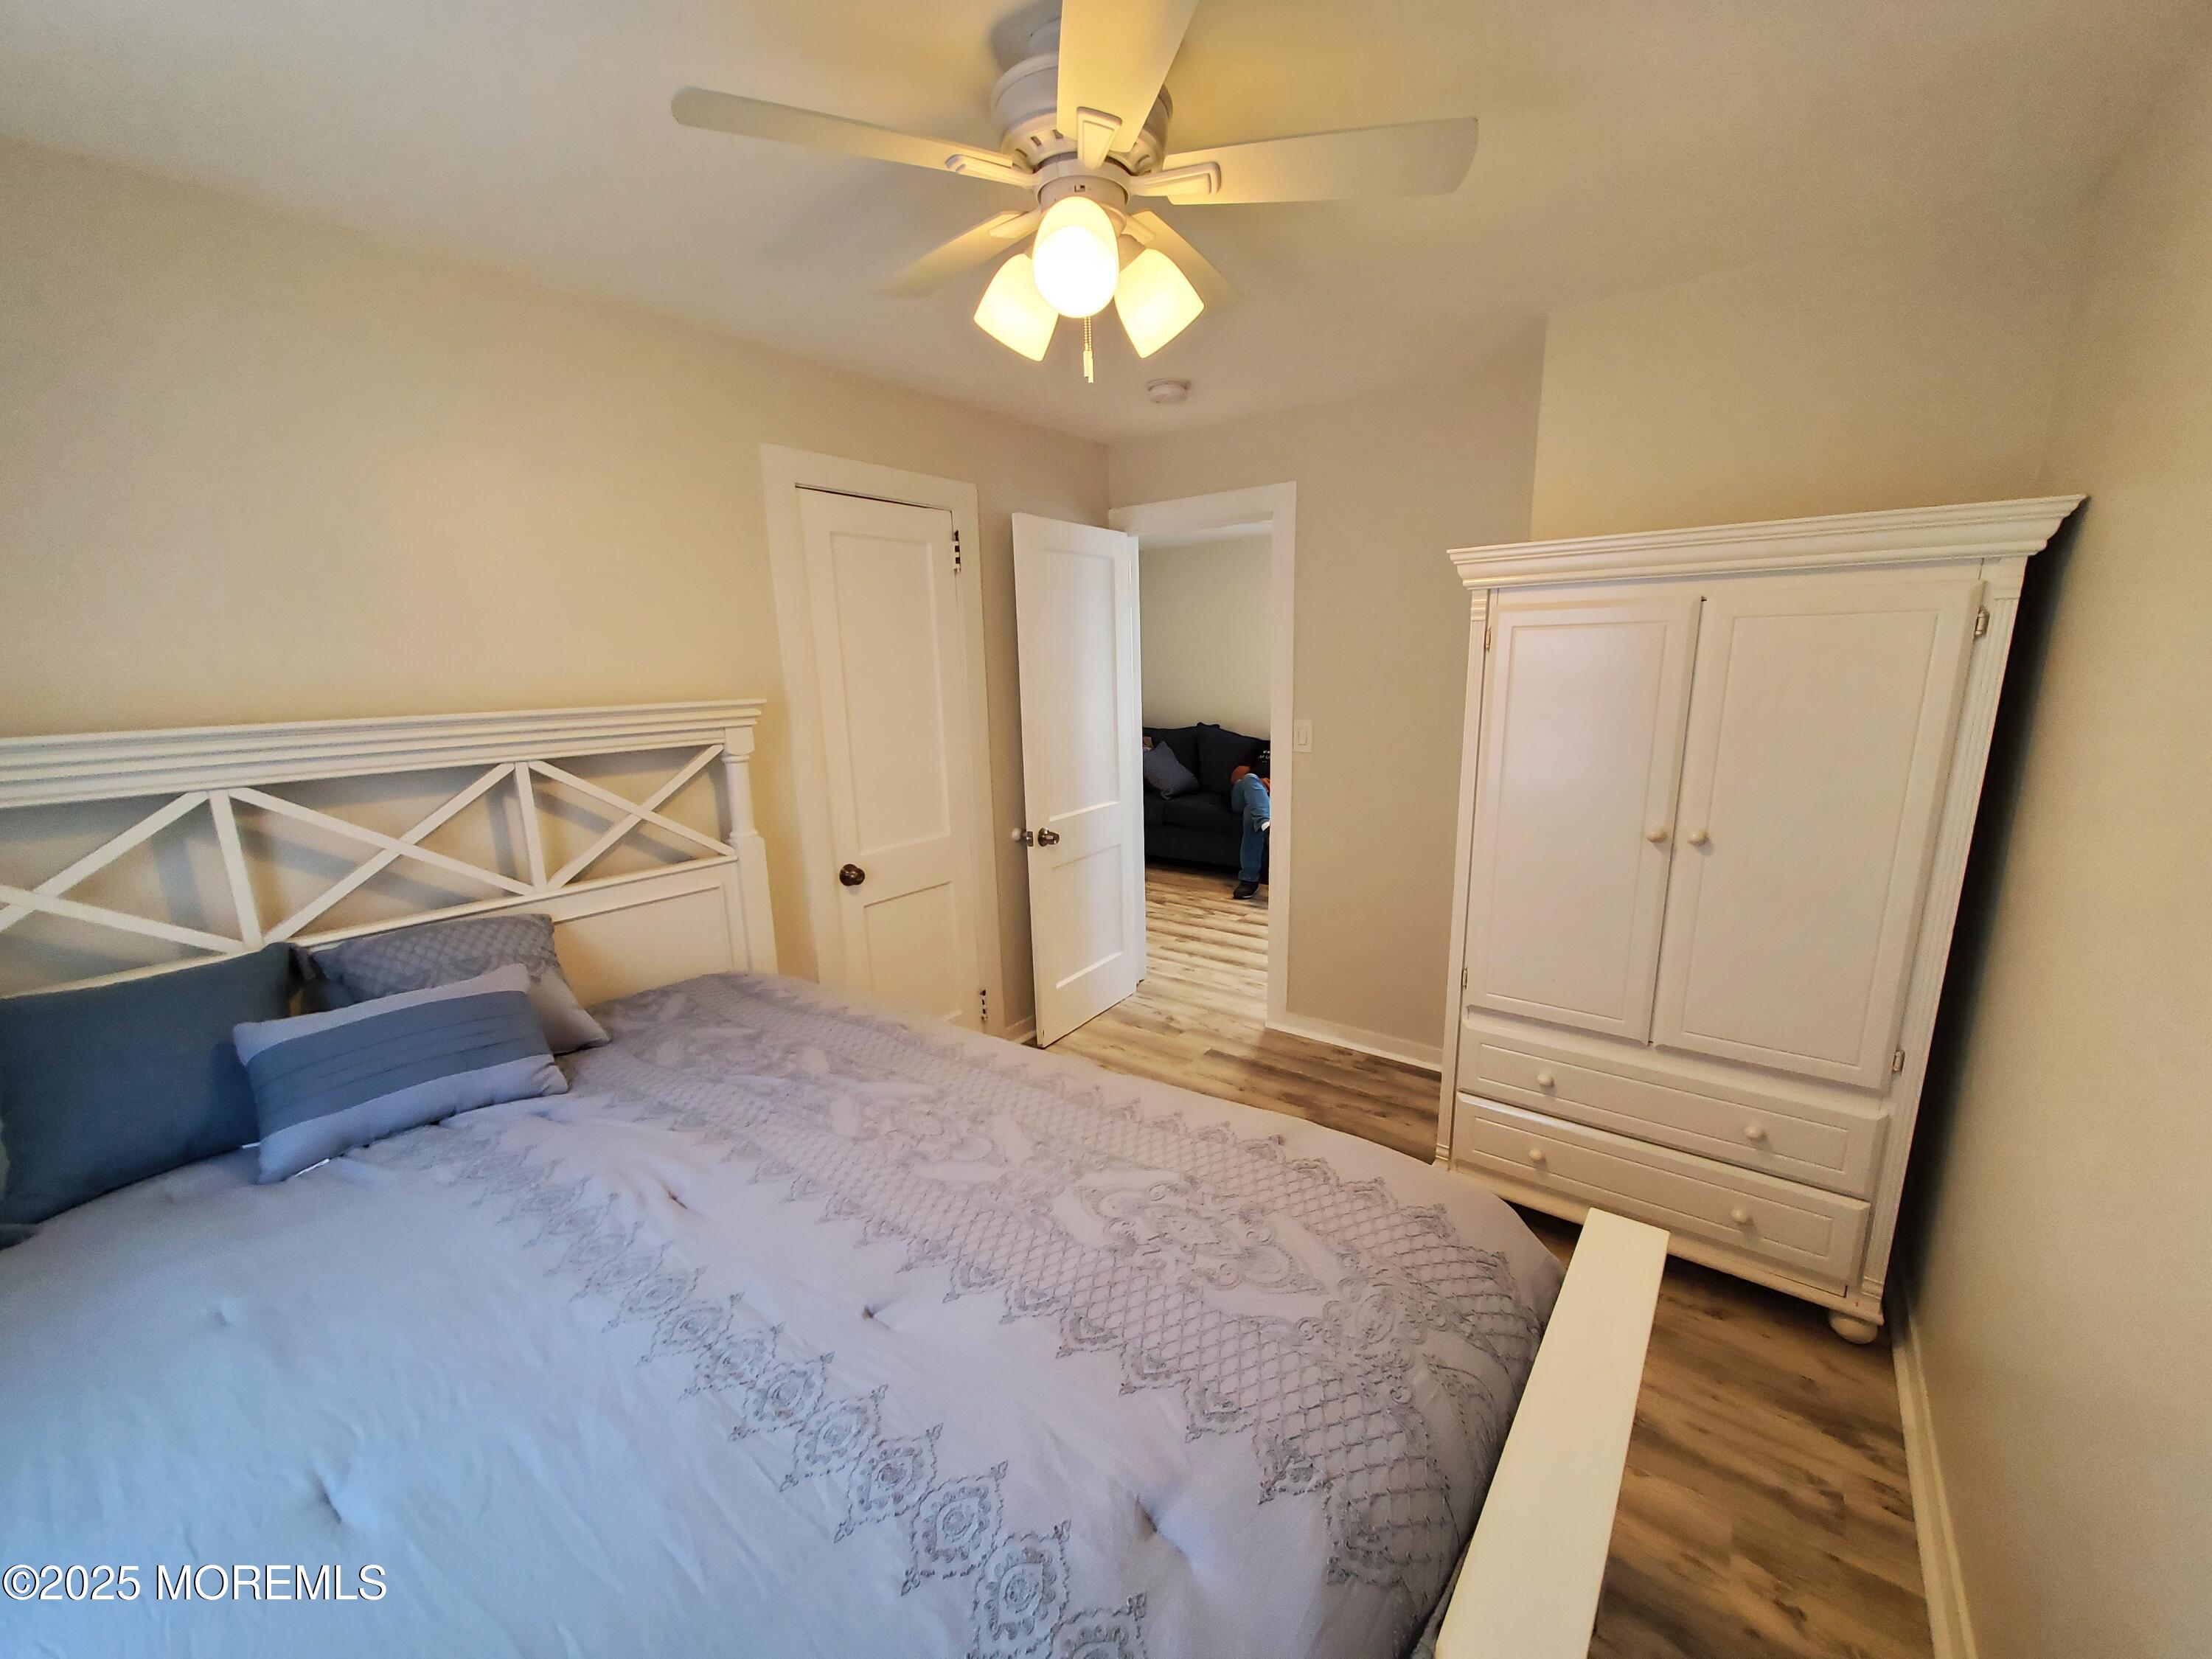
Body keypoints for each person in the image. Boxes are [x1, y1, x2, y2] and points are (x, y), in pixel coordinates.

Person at [1228, 761, 1270, 900]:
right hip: (1244, 792)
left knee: (1251, 816)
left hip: (1269, 799)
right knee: (1250, 778)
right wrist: (1259, 783)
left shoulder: (1292, 751)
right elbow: (1235, 778)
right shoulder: (1261, 748)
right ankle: (1266, 826)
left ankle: (1249, 880)